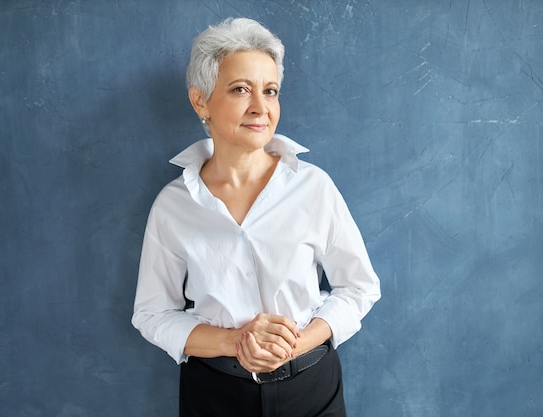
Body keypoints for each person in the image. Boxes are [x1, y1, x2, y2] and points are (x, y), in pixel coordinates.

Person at [132, 17, 381, 417]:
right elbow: (151, 314)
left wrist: (296, 343)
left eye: (270, 91)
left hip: (312, 389)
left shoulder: (313, 187)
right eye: (240, 89)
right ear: (201, 101)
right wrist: (234, 342)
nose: (260, 108)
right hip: (214, 395)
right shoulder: (173, 205)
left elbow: (359, 288)